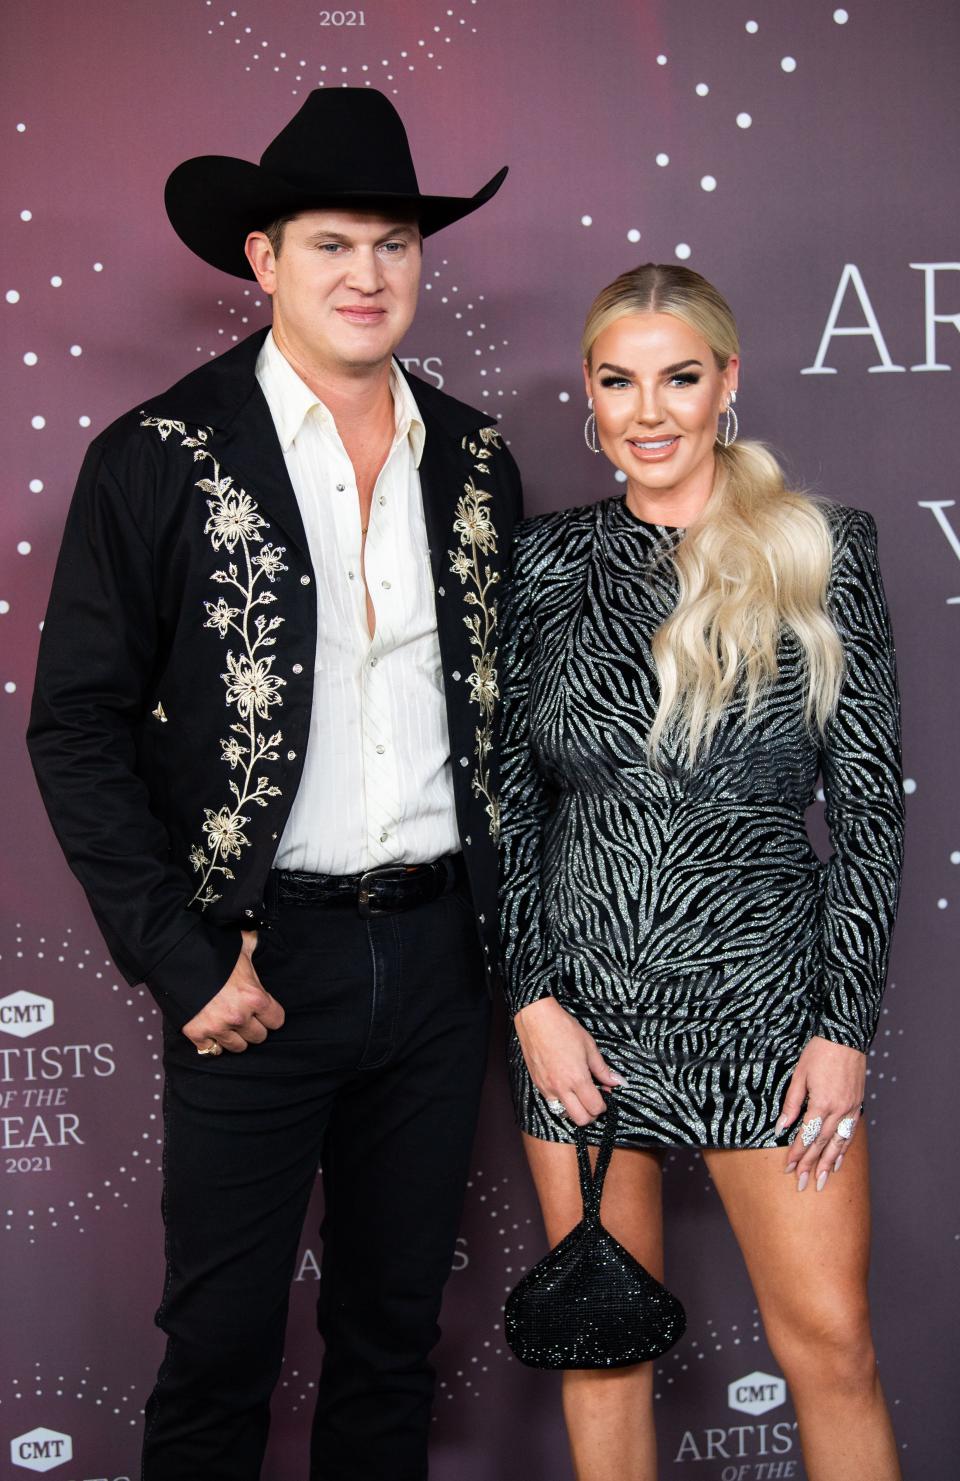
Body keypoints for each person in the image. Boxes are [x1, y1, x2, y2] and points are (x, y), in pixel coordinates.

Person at [28, 88, 521, 1481]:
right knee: (224, 1346)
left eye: (394, 245)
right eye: (330, 245)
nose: (367, 276)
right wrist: (181, 963)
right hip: (253, 965)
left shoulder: (477, 462)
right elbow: (74, 729)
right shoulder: (158, 456)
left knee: (392, 1341)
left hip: (435, 960)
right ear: (261, 259)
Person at [498, 263, 903, 1481]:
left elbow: (873, 807)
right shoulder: (543, 565)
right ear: (589, 392)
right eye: (620, 381)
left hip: (771, 1012)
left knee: (830, 1346)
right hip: (585, 1015)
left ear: (728, 382)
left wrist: (843, 1027)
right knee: (602, 1351)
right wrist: (534, 1003)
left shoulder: (822, 547)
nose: (650, 410)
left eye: (680, 377)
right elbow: (510, 812)